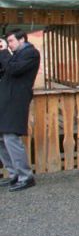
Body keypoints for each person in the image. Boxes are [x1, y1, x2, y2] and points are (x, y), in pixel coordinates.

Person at [0, 29, 40, 192]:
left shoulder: (31, 53)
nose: (9, 44)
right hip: (6, 100)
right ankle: (14, 174)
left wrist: (3, 52)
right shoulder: (14, 55)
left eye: (11, 41)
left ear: (22, 39)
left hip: (17, 100)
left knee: (11, 136)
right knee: (2, 137)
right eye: (7, 41)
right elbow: (5, 69)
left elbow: (14, 70)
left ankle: (26, 176)